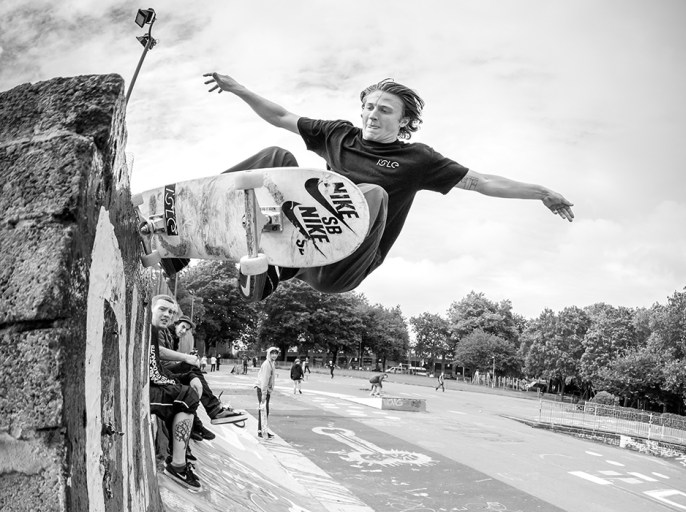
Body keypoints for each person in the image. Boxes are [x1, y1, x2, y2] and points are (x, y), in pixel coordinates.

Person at [202, 72, 573, 302]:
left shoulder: (418, 159)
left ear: (404, 121)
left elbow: (484, 182)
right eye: (369, 107)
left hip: (344, 266)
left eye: (384, 110)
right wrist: (239, 89)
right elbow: (282, 116)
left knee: (371, 195)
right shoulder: (338, 134)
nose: (372, 115)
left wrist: (542, 192)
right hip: (306, 248)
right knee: (276, 156)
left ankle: (276, 268)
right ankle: (204, 215)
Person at [148, 296, 203, 489]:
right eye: (162, 309)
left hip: (148, 384)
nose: (167, 314)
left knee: (185, 391)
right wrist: (177, 382)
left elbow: (157, 369)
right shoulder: (149, 330)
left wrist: (184, 378)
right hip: (142, 393)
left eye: (171, 312)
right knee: (186, 397)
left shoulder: (154, 330)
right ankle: (177, 466)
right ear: (151, 308)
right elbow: (155, 372)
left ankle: (179, 453)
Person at [255, 346, 279, 437]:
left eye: (276, 353)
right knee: (263, 411)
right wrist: (264, 394)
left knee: (265, 411)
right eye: (272, 353)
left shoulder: (271, 363)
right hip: (262, 389)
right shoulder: (267, 364)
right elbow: (264, 380)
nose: (274, 355)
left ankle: (263, 430)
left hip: (265, 390)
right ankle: (261, 431)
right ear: (269, 354)